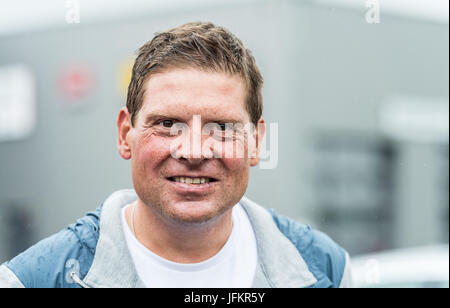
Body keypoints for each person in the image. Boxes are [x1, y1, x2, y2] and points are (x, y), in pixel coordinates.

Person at [0, 22, 352, 288]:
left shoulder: (326, 269)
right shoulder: (34, 280)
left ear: (256, 142)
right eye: (168, 123)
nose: (194, 151)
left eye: (222, 127)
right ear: (126, 135)